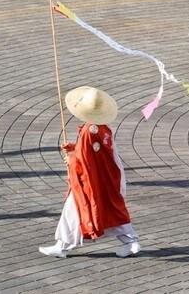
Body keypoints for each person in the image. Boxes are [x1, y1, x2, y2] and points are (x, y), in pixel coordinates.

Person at [39, 86, 141, 259]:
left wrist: (71, 158)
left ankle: (62, 246)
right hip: (104, 178)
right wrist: (75, 148)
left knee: (73, 210)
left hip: (88, 181)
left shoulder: (88, 131)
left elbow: (86, 160)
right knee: (111, 210)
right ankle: (131, 241)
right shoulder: (103, 128)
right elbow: (95, 154)